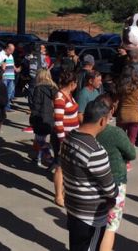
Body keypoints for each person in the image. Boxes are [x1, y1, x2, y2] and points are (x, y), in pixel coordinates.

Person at [61, 99, 118, 251]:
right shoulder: (96, 151)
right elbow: (110, 190)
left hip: (73, 206)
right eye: (107, 120)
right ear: (101, 121)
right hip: (91, 216)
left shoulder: (69, 138)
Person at [95, 93, 136, 251]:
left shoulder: (88, 130)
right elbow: (131, 153)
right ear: (111, 110)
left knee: (96, 221)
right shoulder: (116, 133)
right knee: (110, 225)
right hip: (115, 180)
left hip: (93, 180)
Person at [53, 71, 79, 207]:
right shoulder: (60, 97)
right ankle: (58, 195)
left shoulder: (69, 95)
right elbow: (58, 121)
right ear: (72, 84)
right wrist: (62, 141)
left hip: (72, 136)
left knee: (69, 167)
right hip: (63, 138)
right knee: (60, 167)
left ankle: (63, 192)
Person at [116, 65, 138, 149]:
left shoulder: (120, 86)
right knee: (131, 141)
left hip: (122, 115)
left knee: (120, 140)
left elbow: (116, 101)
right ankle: (127, 160)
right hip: (135, 116)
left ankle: (120, 158)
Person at [29, 69, 57, 168]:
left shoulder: (38, 88)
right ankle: (41, 156)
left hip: (41, 118)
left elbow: (36, 105)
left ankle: (48, 157)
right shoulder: (54, 88)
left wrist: (32, 118)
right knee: (44, 140)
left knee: (40, 140)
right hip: (52, 117)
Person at [0, 43, 21, 112]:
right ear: (7, 49)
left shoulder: (11, 55)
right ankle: (3, 107)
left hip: (11, 77)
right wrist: (1, 65)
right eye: (11, 50)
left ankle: (7, 106)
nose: (12, 52)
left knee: (9, 93)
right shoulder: (0, 55)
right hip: (4, 77)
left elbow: (12, 64)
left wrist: (16, 69)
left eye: (13, 50)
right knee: (4, 93)